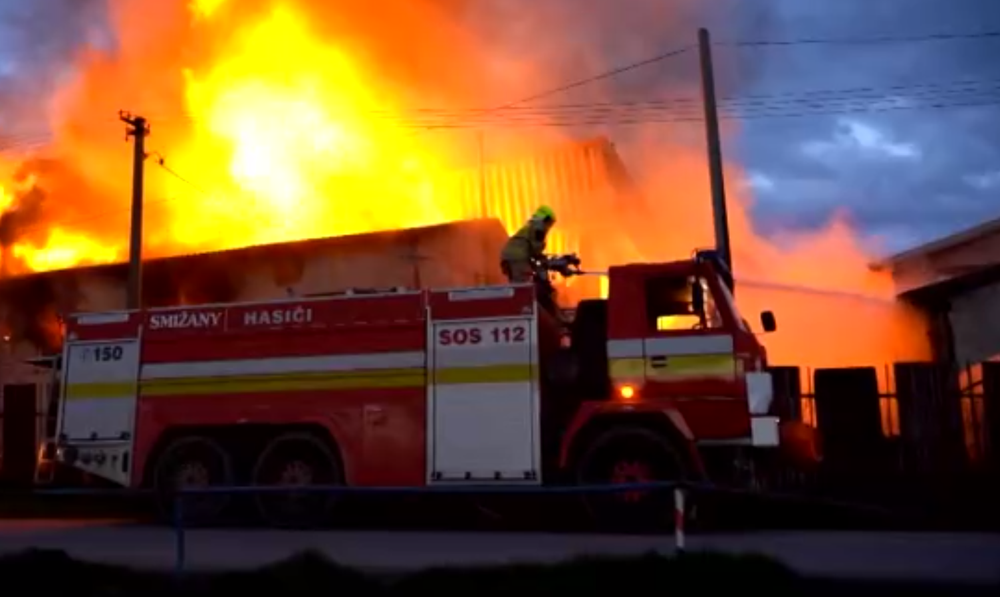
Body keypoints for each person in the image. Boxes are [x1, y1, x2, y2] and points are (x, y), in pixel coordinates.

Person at [500, 205, 556, 283]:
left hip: (506, 256)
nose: (550, 226)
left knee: (515, 283)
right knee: (524, 283)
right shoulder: (540, 228)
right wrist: (541, 256)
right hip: (518, 257)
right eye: (550, 223)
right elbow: (536, 247)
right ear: (546, 219)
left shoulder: (529, 226)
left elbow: (526, 244)